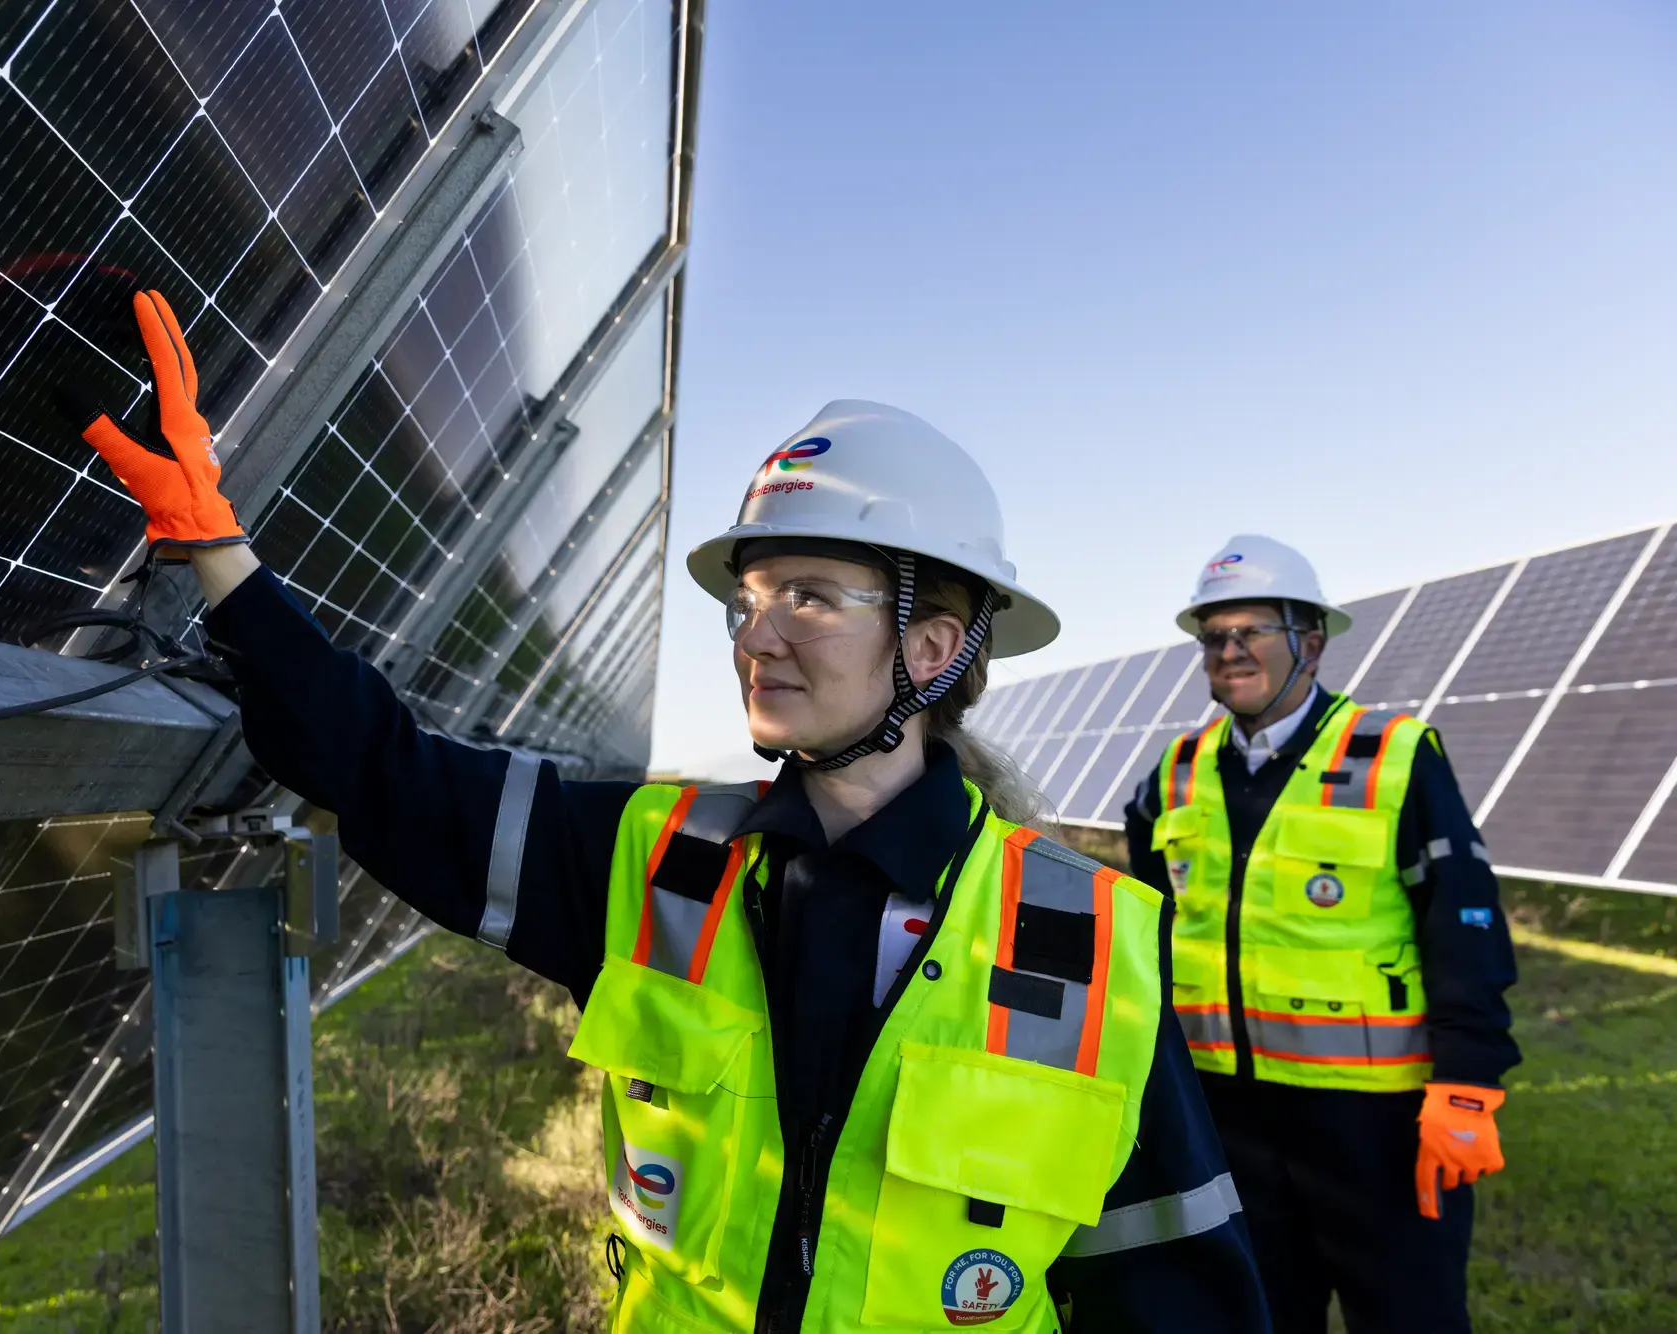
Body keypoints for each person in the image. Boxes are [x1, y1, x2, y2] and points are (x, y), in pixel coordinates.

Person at [73, 291, 1270, 1332]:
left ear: (932, 645)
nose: (755, 632)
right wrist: (221, 555)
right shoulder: (658, 859)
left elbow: (1170, 1289)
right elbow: (389, 776)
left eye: (807, 596)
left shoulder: (1087, 943)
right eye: (749, 600)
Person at [1122, 535, 1520, 1334]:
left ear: (1310, 641)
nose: (1228, 654)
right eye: (1212, 638)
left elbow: (1465, 922)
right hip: (1223, 1115)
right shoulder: (1170, 776)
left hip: (1378, 1123)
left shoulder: (1395, 756)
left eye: (1249, 633)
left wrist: (1468, 1081)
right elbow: (1143, 940)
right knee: (1258, 1314)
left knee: (1409, 1316)